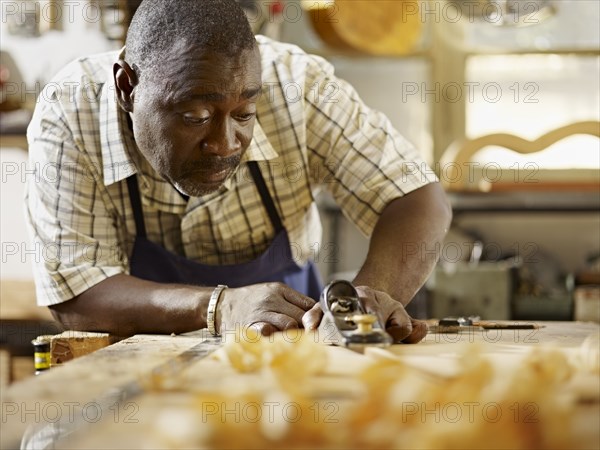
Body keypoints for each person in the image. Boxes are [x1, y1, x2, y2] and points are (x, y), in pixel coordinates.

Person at [25, 0, 451, 343]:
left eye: (244, 114)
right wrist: (220, 307)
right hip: (143, 365)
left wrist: (367, 298)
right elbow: (75, 295)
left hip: (290, 356)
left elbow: (416, 196)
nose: (223, 143)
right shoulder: (70, 111)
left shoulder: (296, 86)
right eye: (195, 115)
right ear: (127, 88)